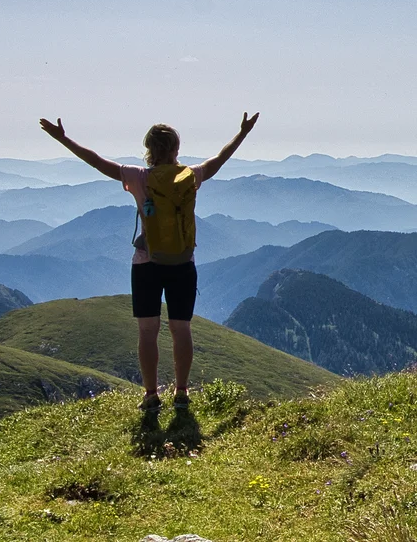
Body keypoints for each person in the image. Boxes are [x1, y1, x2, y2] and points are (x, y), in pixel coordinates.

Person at [39, 113, 259, 412]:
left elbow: (97, 161)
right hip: (183, 262)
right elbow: (220, 158)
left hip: (146, 264)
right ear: (176, 150)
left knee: (147, 331)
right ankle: (181, 392)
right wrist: (242, 132)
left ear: (149, 150)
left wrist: (63, 139)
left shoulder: (137, 177)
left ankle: (151, 394)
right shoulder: (190, 176)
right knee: (181, 330)